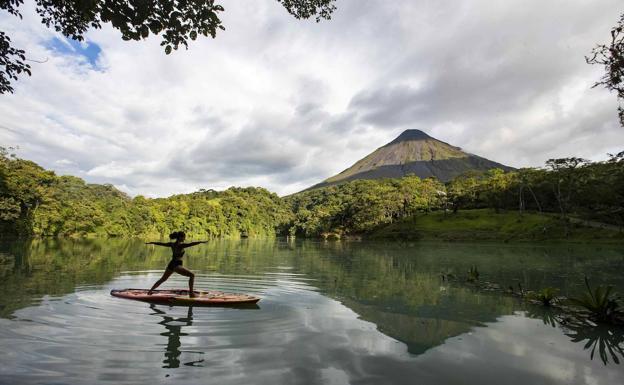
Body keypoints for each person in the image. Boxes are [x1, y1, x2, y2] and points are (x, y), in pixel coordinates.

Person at [146, 231, 207, 297]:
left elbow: (161, 244)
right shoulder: (181, 245)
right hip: (176, 265)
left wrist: (152, 242)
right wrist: (200, 242)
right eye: (184, 237)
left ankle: (150, 291)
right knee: (192, 275)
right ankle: (191, 294)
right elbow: (191, 244)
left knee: (163, 279)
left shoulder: (172, 244)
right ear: (180, 237)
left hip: (171, 264)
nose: (184, 238)